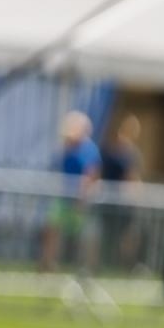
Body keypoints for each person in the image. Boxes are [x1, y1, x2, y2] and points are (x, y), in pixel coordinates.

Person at [38, 110, 100, 272]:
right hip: (64, 198)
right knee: (52, 229)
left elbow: (90, 174)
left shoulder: (89, 150)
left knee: (85, 237)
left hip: (80, 200)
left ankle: (85, 269)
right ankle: (48, 263)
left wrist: (82, 197)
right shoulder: (66, 148)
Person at [97, 115, 144, 270]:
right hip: (110, 200)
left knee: (126, 236)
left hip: (124, 203)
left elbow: (132, 177)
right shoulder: (111, 151)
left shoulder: (131, 154)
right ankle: (106, 264)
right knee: (106, 235)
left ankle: (124, 265)